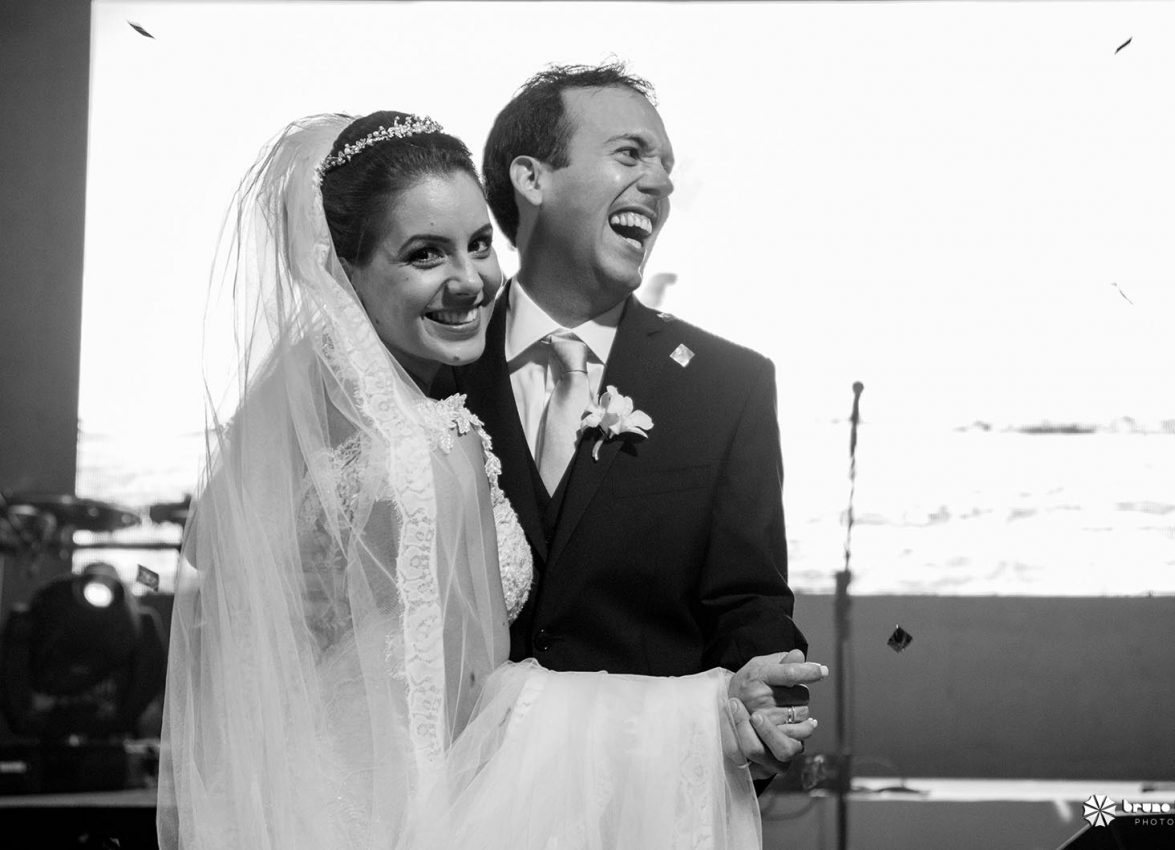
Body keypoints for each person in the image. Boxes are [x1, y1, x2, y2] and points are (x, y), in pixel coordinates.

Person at [157, 111, 824, 849]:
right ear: (343, 271)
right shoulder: (423, 443)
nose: (469, 278)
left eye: (478, 245)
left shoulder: (373, 416)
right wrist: (708, 718)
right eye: (424, 254)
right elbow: (459, 719)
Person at [433, 63, 810, 779]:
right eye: (631, 154)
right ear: (532, 179)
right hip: (453, 797)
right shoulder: (429, 369)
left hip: (643, 790)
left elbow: (748, 600)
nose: (662, 183)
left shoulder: (730, 387)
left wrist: (763, 694)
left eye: (666, 165)